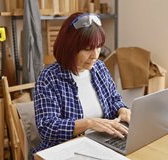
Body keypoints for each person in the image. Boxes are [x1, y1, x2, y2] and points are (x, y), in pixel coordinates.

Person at [33, 12, 131, 153]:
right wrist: (89, 123)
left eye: (98, 47)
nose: (95, 55)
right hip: (67, 150)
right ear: (70, 47)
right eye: (87, 49)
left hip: (101, 144)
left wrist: (123, 110)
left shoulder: (99, 68)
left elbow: (114, 99)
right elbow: (47, 128)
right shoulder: (49, 78)